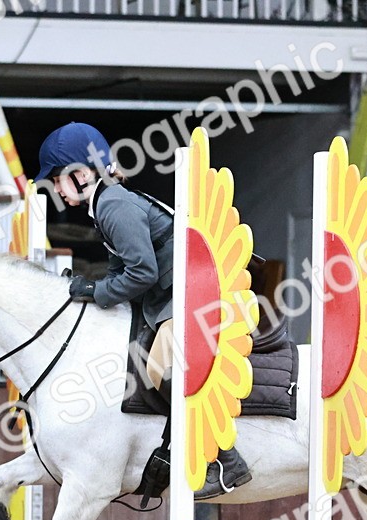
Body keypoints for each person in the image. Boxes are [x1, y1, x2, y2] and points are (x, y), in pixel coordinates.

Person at [36, 122, 250, 500]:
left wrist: (97, 291)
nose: (56, 189)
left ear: (82, 174)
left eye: (58, 179)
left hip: (187, 295)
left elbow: (143, 273)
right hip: (167, 295)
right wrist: (92, 288)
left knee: (158, 368)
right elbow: (120, 269)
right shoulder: (105, 203)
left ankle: (226, 459)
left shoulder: (113, 204)